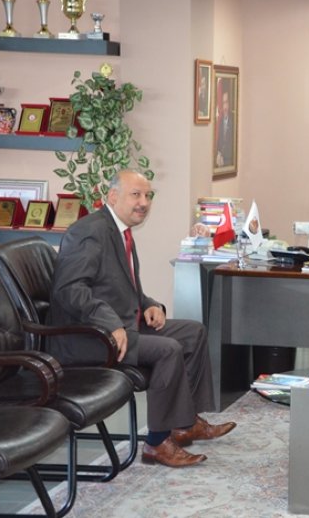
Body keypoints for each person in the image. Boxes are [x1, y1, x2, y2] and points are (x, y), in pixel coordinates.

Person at [48, 169, 236, 468]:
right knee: (168, 349)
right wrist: (110, 324)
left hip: (121, 326)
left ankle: (184, 424)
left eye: (148, 196)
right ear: (113, 196)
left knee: (193, 332)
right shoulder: (89, 232)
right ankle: (157, 443)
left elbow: (123, 286)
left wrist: (150, 304)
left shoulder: (120, 230)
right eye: (135, 195)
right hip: (86, 337)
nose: (144, 202)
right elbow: (69, 290)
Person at [215, 87, 234, 168]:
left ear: (229, 103)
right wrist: (219, 154)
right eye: (223, 103)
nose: (225, 106)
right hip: (220, 160)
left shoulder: (233, 120)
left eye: (226, 102)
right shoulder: (220, 121)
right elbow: (219, 141)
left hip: (229, 160)